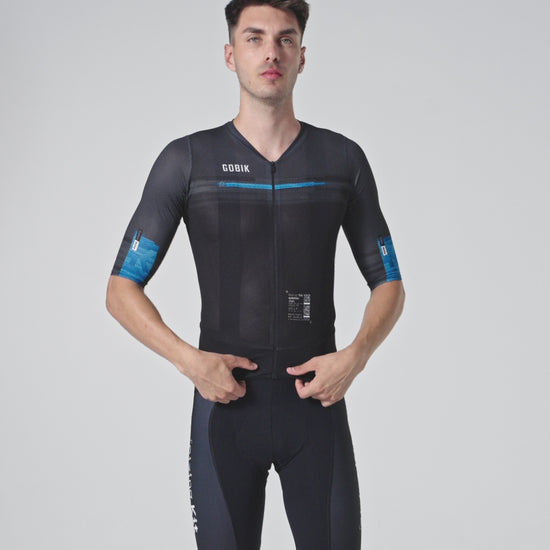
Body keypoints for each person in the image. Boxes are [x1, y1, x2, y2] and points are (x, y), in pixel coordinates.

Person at [106, 1, 405, 548]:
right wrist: (189, 361)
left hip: (315, 408)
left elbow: (388, 281)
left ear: (302, 56)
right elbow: (121, 289)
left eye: (285, 39)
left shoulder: (341, 160)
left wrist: (356, 356)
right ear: (230, 55)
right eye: (255, 38)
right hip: (224, 410)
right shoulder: (188, 161)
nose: (271, 52)